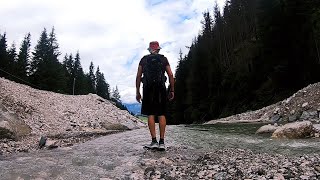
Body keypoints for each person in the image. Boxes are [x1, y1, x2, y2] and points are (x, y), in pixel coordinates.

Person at [136, 41, 174, 151]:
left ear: (149, 50)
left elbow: (138, 76)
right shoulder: (163, 59)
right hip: (161, 88)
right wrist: (172, 90)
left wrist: (138, 91)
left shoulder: (144, 59)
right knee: (161, 113)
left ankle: (154, 141)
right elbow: (171, 75)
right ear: (158, 49)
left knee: (150, 114)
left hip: (148, 88)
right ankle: (162, 142)